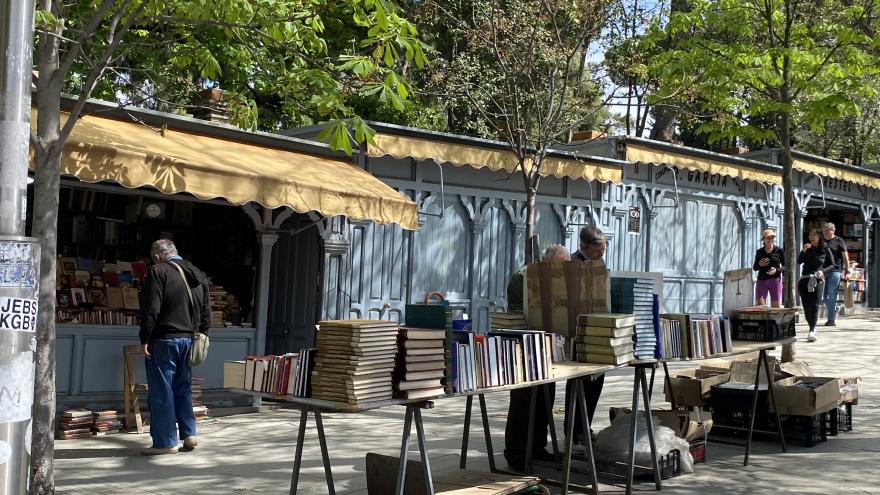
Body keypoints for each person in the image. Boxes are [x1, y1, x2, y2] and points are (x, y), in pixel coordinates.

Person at [139, 239, 210, 455]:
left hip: (164, 339)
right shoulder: (197, 273)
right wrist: (203, 335)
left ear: (157, 256)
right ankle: (189, 434)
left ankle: (165, 442)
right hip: (190, 339)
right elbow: (206, 312)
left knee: (162, 390)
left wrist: (144, 338)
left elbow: (152, 309)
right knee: (183, 388)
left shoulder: (158, 272)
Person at [504, 244, 570, 471]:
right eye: (558, 267)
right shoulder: (522, 277)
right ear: (546, 262)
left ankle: (538, 448)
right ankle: (516, 453)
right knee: (524, 400)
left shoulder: (558, 280)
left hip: (548, 346)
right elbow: (520, 314)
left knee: (546, 397)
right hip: (524, 346)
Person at [568, 226, 607, 445]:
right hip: (579, 332)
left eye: (603, 250)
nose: (601, 255)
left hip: (597, 330)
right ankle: (575, 431)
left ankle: (585, 427)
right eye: (597, 251)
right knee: (580, 386)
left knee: (596, 383)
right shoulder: (574, 264)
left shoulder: (598, 264)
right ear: (584, 246)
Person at [797, 230, 834, 343]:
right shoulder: (807, 249)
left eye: (814, 235)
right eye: (810, 235)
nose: (811, 237)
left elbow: (832, 265)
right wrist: (803, 251)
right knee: (807, 307)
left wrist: (823, 271)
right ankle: (811, 327)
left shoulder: (825, 249)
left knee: (815, 305)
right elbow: (799, 261)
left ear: (819, 237)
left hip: (817, 280)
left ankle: (812, 330)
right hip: (805, 280)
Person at [821, 223, 849, 326]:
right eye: (824, 231)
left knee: (831, 295)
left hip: (835, 271)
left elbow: (845, 256)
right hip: (823, 271)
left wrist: (847, 271)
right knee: (823, 297)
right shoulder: (823, 242)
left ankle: (831, 320)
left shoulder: (838, 241)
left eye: (827, 231)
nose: (825, 233)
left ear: (833, 230)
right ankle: (834, 308)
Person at [752, 229, 784, 307]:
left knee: (775, 305)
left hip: (775, 280)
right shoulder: (759, 252)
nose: (770, 239)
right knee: (760, 304)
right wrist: (759, 264)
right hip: (761, 280)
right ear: (764, 239)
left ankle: (774, 320)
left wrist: (776, 270)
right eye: (768, 238)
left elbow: (785, 266)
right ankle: (763, 319)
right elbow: (755, 267)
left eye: (772, 237)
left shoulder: (779, 250)